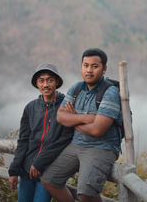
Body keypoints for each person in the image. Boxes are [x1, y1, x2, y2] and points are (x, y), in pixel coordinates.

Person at [41, 48, 122, 202]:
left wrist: (73, 119)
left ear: (104, 69)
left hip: (101, 147)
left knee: (86, 194)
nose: (89, 70)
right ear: (81, 67)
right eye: (86, 65)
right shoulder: (77, 88)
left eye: (95, 66)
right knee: (49, 180)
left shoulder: (110, 93)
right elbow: (60, 116)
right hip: (76, 144)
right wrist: (86, 118)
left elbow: (98, 130)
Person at [8, 63, 73, 202]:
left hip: (47, 170)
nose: (46, 84)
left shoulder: (65, 106)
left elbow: (64, 139)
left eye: (50, 80)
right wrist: (14, 171)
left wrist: (39, 162)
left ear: (56, 82)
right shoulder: (30, 108)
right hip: (27, 171)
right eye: (41, 80)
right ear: (36, 84)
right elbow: (23, 140)